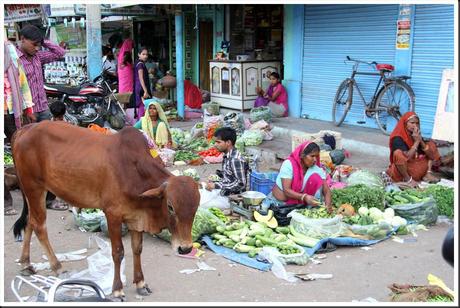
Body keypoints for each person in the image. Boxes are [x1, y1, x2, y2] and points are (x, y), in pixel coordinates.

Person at [4, 39, 35, 216]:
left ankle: (29, 199)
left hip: (11, 111)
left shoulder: (9, 50)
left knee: (21, 156)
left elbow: (21, 79)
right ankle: (6, 202)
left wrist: (28, 107)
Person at [262, 141, 333, 213]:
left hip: (297, 206)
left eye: (316, 156)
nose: (315, 159)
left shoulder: (317, 170)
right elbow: (286, 190)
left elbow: (326, 190)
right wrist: (304, 197)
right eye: (312, 156)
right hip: (277, 204)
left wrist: (328, 205)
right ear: (302, 155)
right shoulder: (289, 164)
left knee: (316, 180)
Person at [16, 24, 66, 122]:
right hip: (28, 111)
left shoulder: (37, 56)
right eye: (34, 44)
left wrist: (43, 42)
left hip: (43, 108)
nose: (37, 48)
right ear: (23, 39)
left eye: (39, 45)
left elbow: (60, 52)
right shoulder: (15, 59)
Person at [386, 111, 441, 188]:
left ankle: (427, 174)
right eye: (412, 123)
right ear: (405, 123)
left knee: (430, 145)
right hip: (404, 169)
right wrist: (416, 142)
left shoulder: (415, 134)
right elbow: (406, 157)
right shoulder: (397, 138)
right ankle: (408, 180)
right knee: (398, 153)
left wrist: (420, 140)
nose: (415, 126)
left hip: (416, 166)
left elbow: (432, 156)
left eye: (417, 123)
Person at [205, 127, 249, 196]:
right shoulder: (227, 155)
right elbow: (229, 175)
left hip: (234, 195)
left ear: (228, 142)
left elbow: (241, 184)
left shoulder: (235, 159)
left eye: (218, 142)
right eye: (215, 142)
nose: (215, 145)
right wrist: (217, 176)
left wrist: (216, 186)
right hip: (226, 190)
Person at [133, 47, 152, 119]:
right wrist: (145, 91)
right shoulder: (140, 64)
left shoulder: (138, 63)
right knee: (142, 106)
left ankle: (141, 123)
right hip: (141, 88)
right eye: (143, 54)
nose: (145, 56)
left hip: (139, 87)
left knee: (142, 106)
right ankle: (140, 124)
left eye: (146, 54)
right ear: (139, 54)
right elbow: (141, 78)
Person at [117, 30, 134, 94]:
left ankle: (126, 99)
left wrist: (123, 62)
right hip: (125, 68)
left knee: (125, 85)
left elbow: (127, 53)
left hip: (124, 68)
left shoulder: (127, 42)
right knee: (126, 85)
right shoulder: (127, 42)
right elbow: (127, 53)